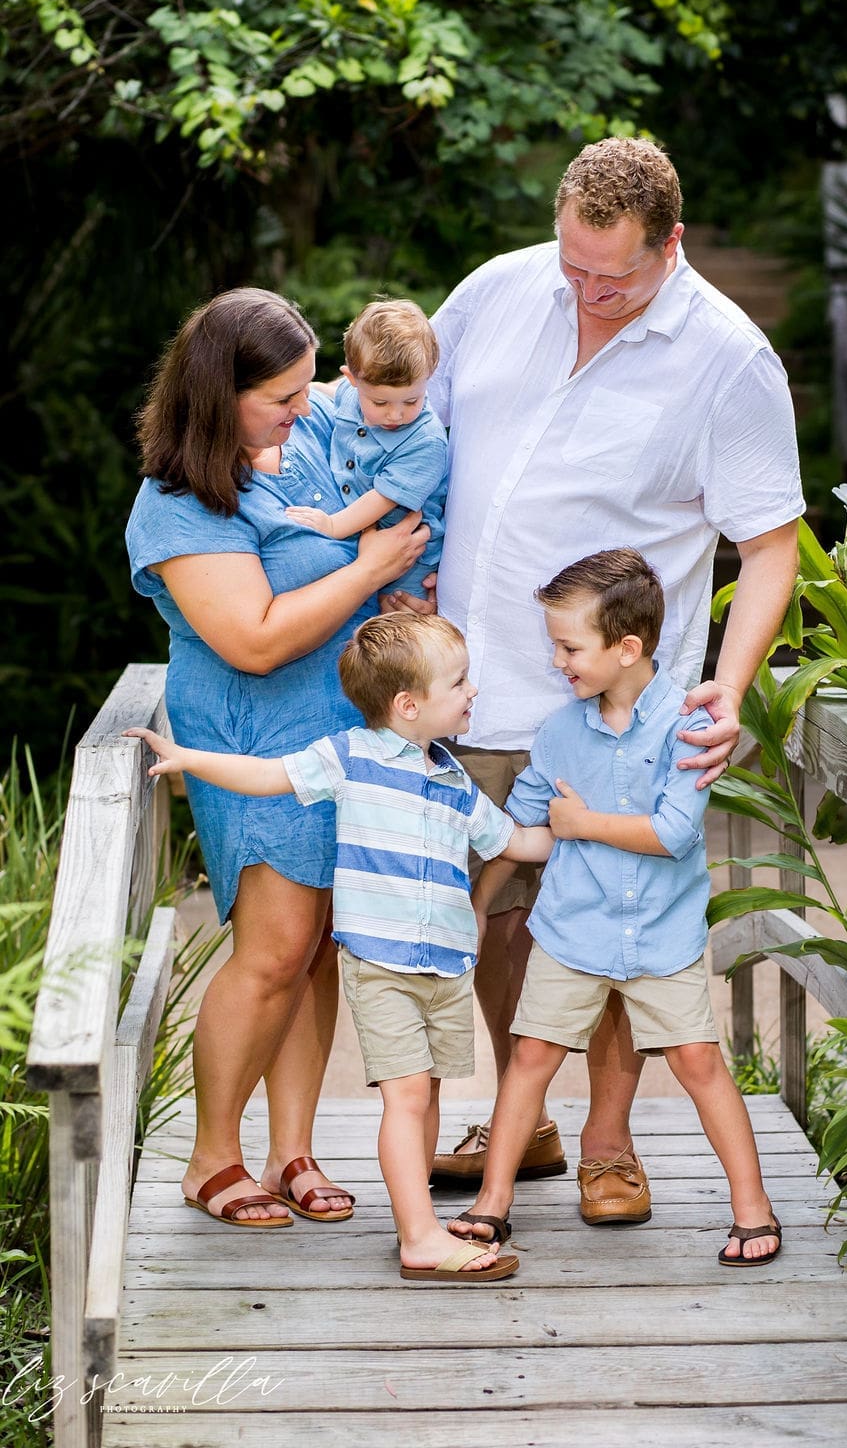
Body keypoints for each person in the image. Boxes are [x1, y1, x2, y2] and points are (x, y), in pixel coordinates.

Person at [390, 136, 803, 1235]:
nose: (585, 290)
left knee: (606, 930)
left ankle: (612, 1146)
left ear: (671, 241)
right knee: (479, 927)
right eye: (572, 264)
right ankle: (517, 1121)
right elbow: (411, 434)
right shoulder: (496, 290)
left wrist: (722, 684)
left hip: (609, 706)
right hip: (463, 686)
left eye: (610, 275)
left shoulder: (727, 360)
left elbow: (769, 547)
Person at [125, 288, 429, 1230]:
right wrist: (368, 573)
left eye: (307, 393)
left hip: (339, 732)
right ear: (220, 394)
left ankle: (291, 1148)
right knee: (272, 951)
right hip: (253, 736)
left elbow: (327, 578)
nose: (305, 413)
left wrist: (386, 610)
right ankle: (211, 1154)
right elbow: (253, 638)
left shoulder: (291, 458)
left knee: (322, 949)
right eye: (283, 398)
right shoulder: (177, 504)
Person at [127, 611, 552, 1281]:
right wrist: (188, 759)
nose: (474, 692)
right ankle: (419, 1237)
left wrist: (590, 825)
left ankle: (423, 1224)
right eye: (461, 681)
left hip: (443, 965)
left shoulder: (452, 780)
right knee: (406, 1094)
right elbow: (267, 776)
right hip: (381, 965)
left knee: (428, 1094)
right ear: (409, 705)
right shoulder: (349, 757)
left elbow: (516, 843)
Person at [448, 550, 781, 1266]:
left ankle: (753, 1209)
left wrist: (583, 824)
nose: (558, 660)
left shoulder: (687, 723)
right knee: (530, 1055)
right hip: (573, 929)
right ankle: (492, 1205)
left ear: (627, 648)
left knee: (698, 1061)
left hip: (663, 933)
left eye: (569, 647)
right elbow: (528, 829)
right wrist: (479, 902)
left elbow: (671, 833)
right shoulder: (560, 732)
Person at [285, 298, 447, 599]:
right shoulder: (349, 393)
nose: (396, 415)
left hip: (410, 558)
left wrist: (332, 525)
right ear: (353, 379)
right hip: (362, 540)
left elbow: (381, 499)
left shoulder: (425, 441)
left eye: (412, 401)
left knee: (399, 633)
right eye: (380, 403)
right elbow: (331, 393)